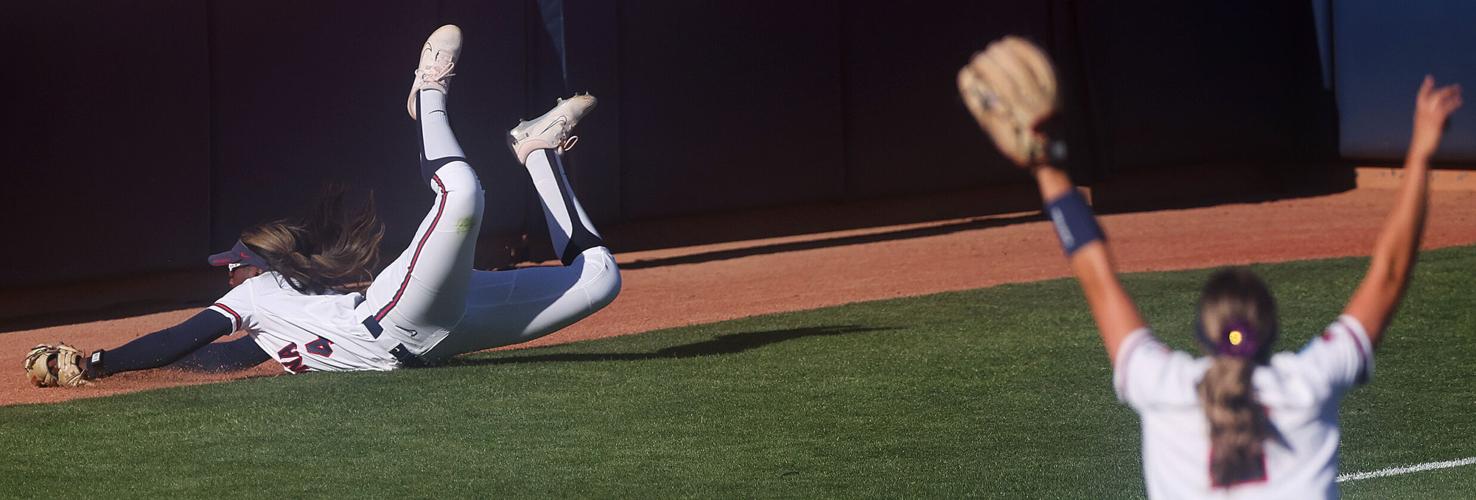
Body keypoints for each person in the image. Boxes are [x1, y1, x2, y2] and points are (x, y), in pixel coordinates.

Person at [958, 37, 1461, 497]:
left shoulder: (1163, 387)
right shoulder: (1308, 385)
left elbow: (1095, 271)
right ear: (1272, 330)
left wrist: (1046, 166)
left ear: (1200, 332)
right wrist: (1420, 152)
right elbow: (1391, 272)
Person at [24, 25, 620, 384]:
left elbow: (183, 336)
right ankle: (539, 151)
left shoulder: (256, 295)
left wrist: (99, 362)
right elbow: (207, 360)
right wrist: (128, 368)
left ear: (256, 266)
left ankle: (428, 90)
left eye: (232, 264)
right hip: (445, 334)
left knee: (462, 192)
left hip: (397, 320)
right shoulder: (271, 323)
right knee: (599, 281)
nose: (228, 275)